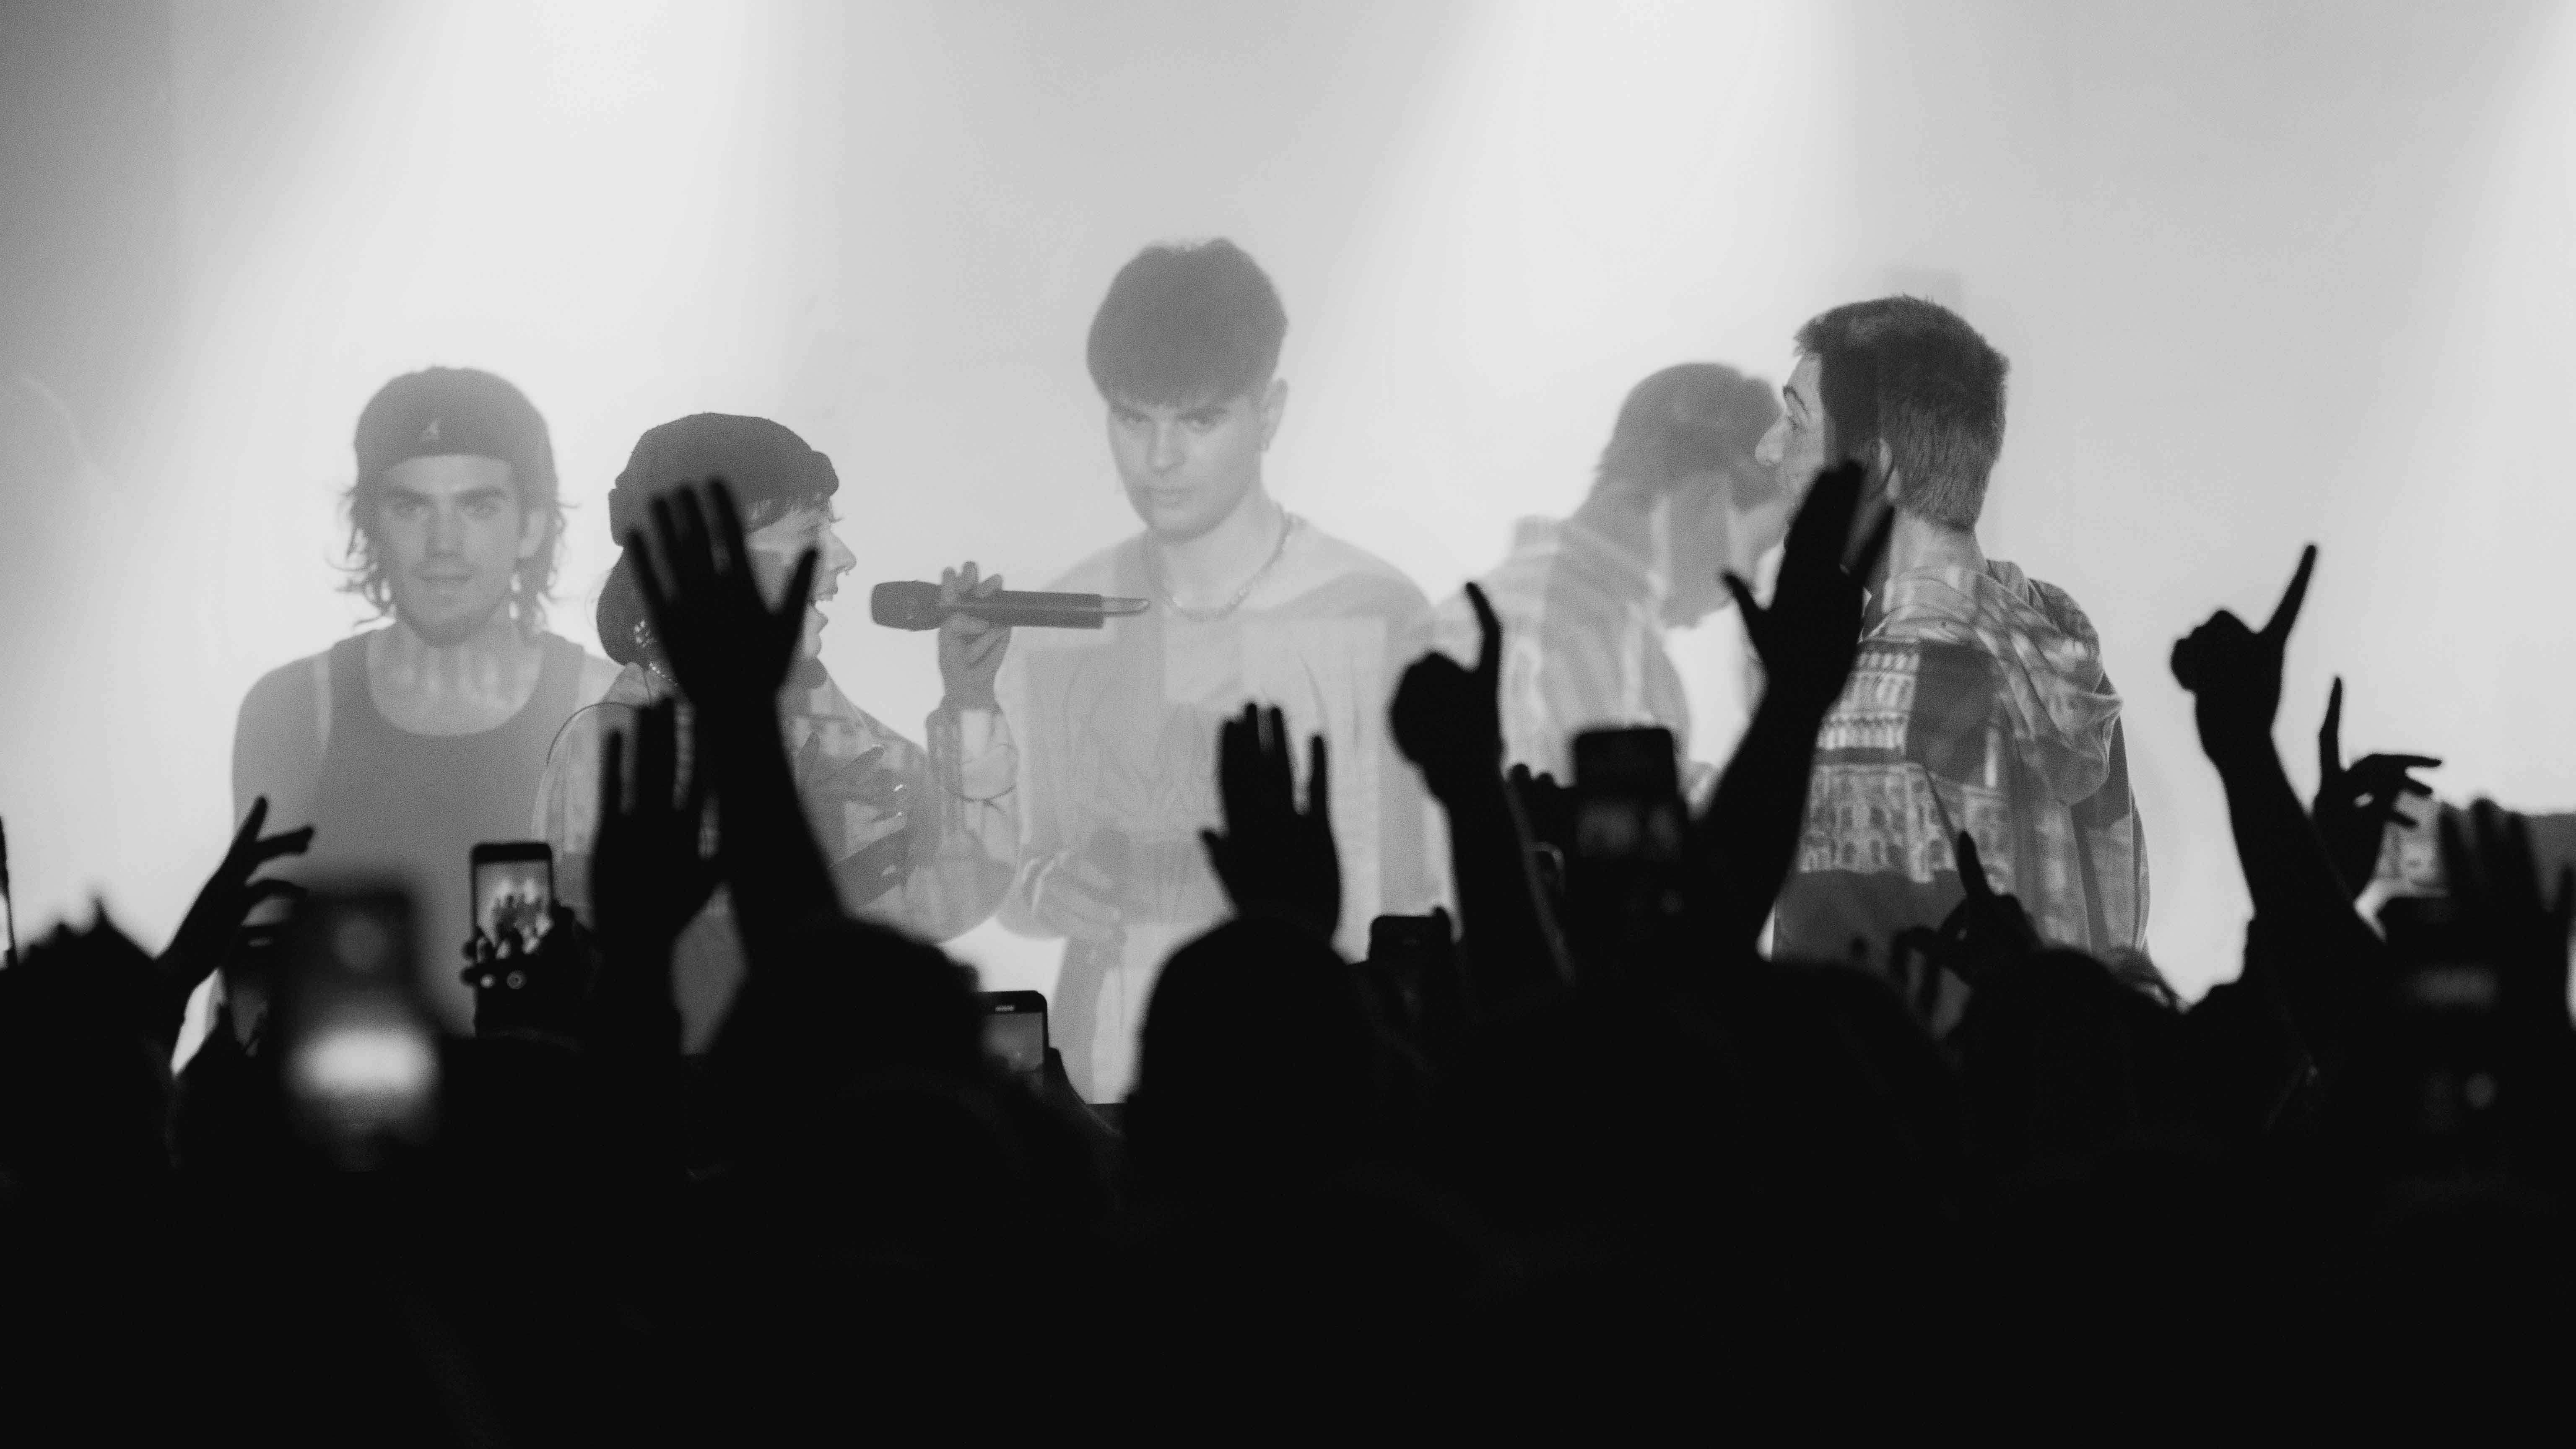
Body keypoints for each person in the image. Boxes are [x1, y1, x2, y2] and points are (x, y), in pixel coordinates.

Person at [997, 239, 1438, 1101]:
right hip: (1105, 1084)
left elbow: (1417, 890)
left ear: (1268, 413)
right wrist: (1046, 891)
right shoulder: (1062, 620)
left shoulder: (1370, 616)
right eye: (1133, 419)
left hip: (1318, 1083)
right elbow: (1010, 869)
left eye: (1198, 421)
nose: (1159, 459)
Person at [532, 413, 1018, 1052]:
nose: (844, 558)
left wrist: (971, 701)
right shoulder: (609, 750)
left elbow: (954, 893)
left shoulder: (827, 721)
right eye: (812, 531)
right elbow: (633, 989)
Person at [1755, 297, 2148, 976]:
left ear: (1874, 468)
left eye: (1794, 421)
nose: (1766, 449)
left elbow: (1820, 1008)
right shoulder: (2057, 662)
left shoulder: (1859, 711)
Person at [230, 368, 619, 1031]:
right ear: (369, 524)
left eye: (477, 507)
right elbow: (251, 971)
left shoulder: (606, 710)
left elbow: (649, 961)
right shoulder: (296, 709)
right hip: (347, 1091)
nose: (443, 545)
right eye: (411, 507)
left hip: (555, 1093)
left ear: (530, 527)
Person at [1428, 362, 1784, 801]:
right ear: (1707, 500)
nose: (1755, 583)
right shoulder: (1599, 644)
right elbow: (1622, 843)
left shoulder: (1478, 614)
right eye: (1760, 547)